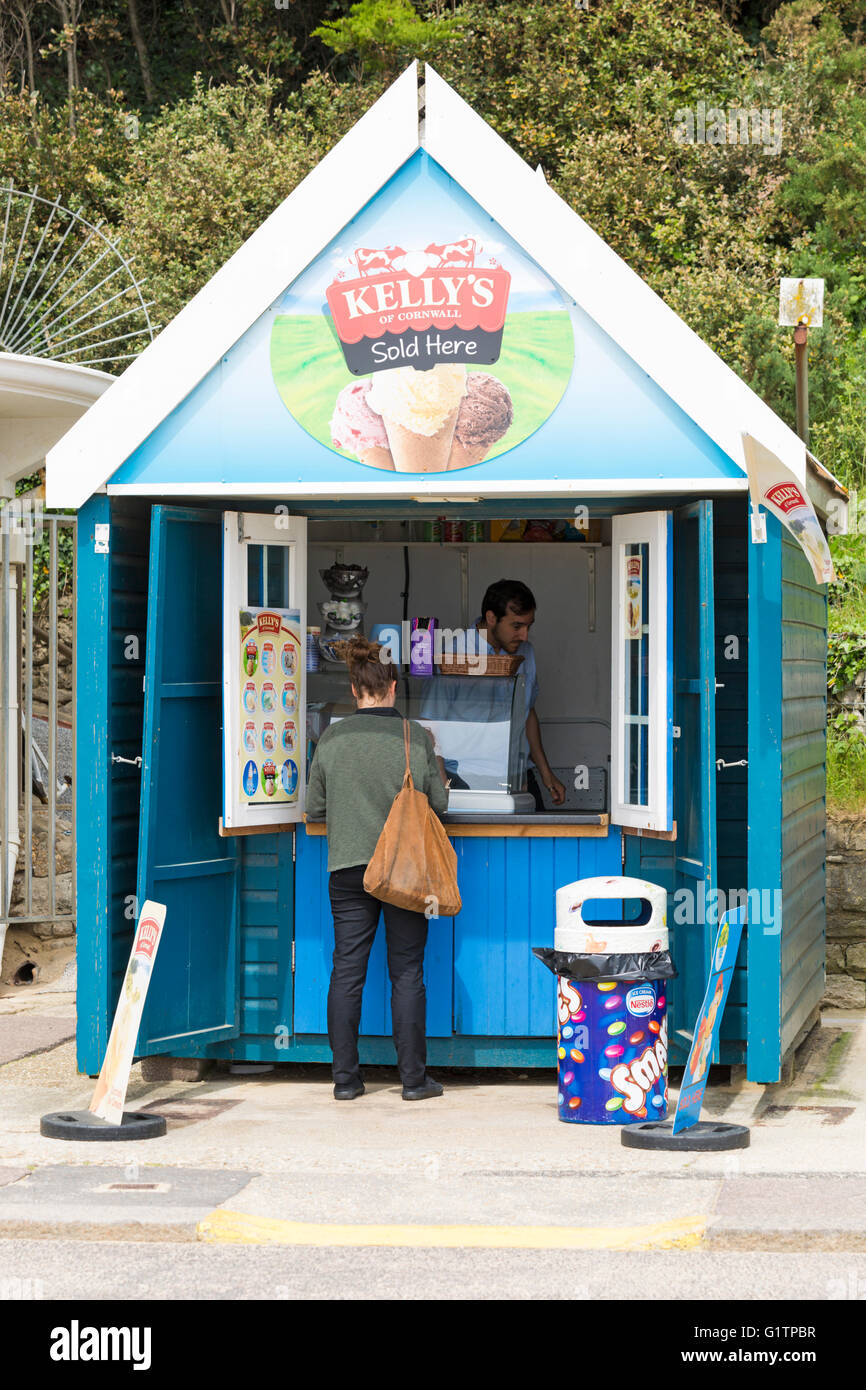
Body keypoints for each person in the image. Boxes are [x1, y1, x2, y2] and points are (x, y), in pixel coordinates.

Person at [305, 635, 449, 1102]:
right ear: (392, 685)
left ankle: (346, 1082)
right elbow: (440, 803)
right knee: (407, 971)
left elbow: (314, 807)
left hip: (348, 867)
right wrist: (439, 762)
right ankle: (413, 1081)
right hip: (403, 870)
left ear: (354, 688)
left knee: (347, 970)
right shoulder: (415, 736)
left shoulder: (330, 738)